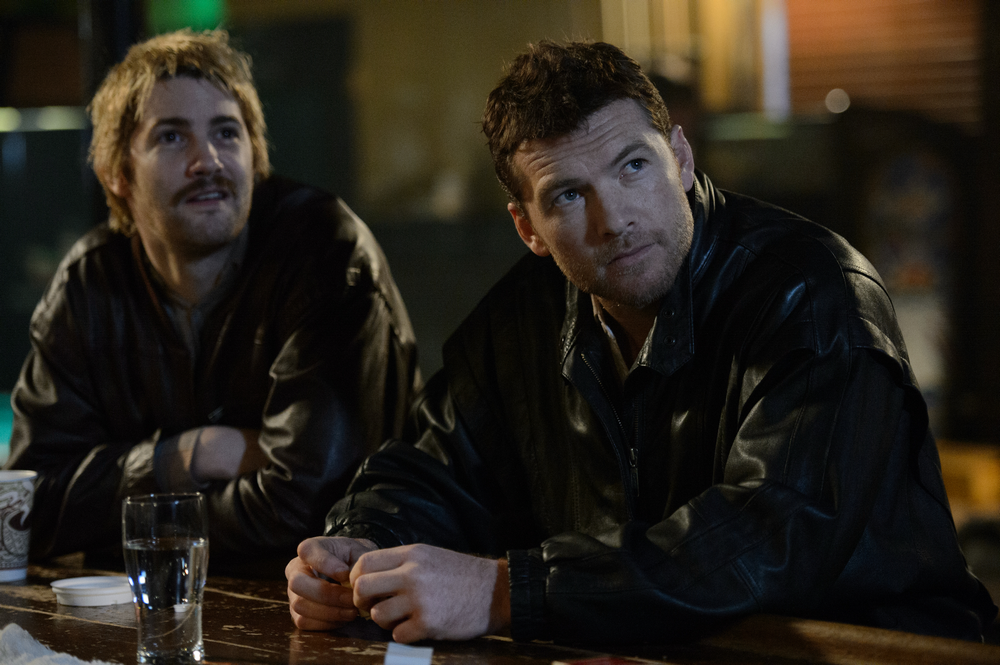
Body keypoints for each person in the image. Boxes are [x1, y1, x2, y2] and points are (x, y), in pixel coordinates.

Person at [285, 41, 996, 642]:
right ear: (528, 228)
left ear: (680, 158)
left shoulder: (811, 293)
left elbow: (769, 538)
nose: (614, 219)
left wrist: (508, 590)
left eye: (633, 166)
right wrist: (359, 550)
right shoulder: (521, 318)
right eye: (568, 195)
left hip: (876, 650)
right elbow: (429, 468)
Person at [4, 29, 421, 573]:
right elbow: (28, 511)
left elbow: (307, 512)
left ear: (255, 155)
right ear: (118, 173)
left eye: (226, 132)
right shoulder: (90, 282)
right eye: (172, 137)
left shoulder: (324, 252)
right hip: (155, 611)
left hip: (333, 607)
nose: (208, 160)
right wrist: (186, 455)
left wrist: (127, 530)